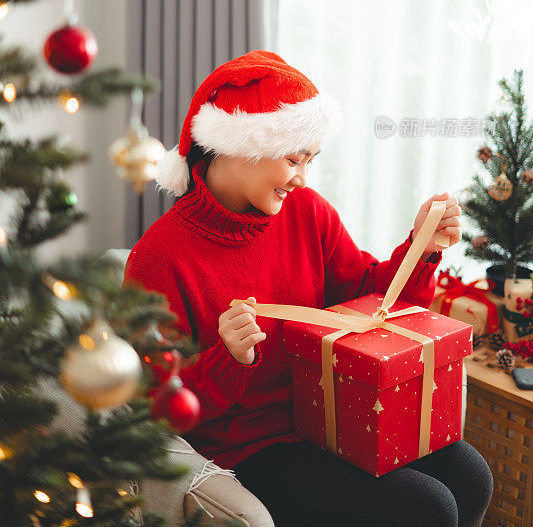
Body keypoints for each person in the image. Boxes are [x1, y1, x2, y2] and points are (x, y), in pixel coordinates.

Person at [124, 49, 493, 527]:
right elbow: (152, 405)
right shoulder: (160, 259)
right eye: (294, 160)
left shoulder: (308, 213)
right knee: (428, 508)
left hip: (328, 415)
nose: (301, 179)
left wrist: (420, 250)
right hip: (250, 448)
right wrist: (226, 359)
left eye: (311, 161)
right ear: (240, 144)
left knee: (471, 476)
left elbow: (372, 302)